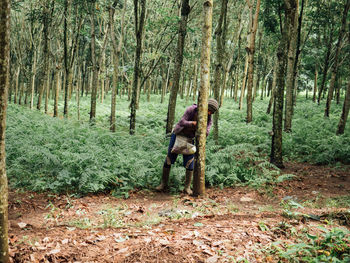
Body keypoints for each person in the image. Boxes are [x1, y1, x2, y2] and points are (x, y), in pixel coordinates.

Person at [156, 98, 219, 194]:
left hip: (190, 139)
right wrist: (193, 123)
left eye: (212, 112)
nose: (210, 113)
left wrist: (203, 129)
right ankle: (163, 184)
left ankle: (187, 187)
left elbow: (207, 130)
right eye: (209, 110)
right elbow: (181, 122)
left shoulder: (208, 118)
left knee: (190, 162)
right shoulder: (191, 109)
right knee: (169, 158)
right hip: (178, 135)